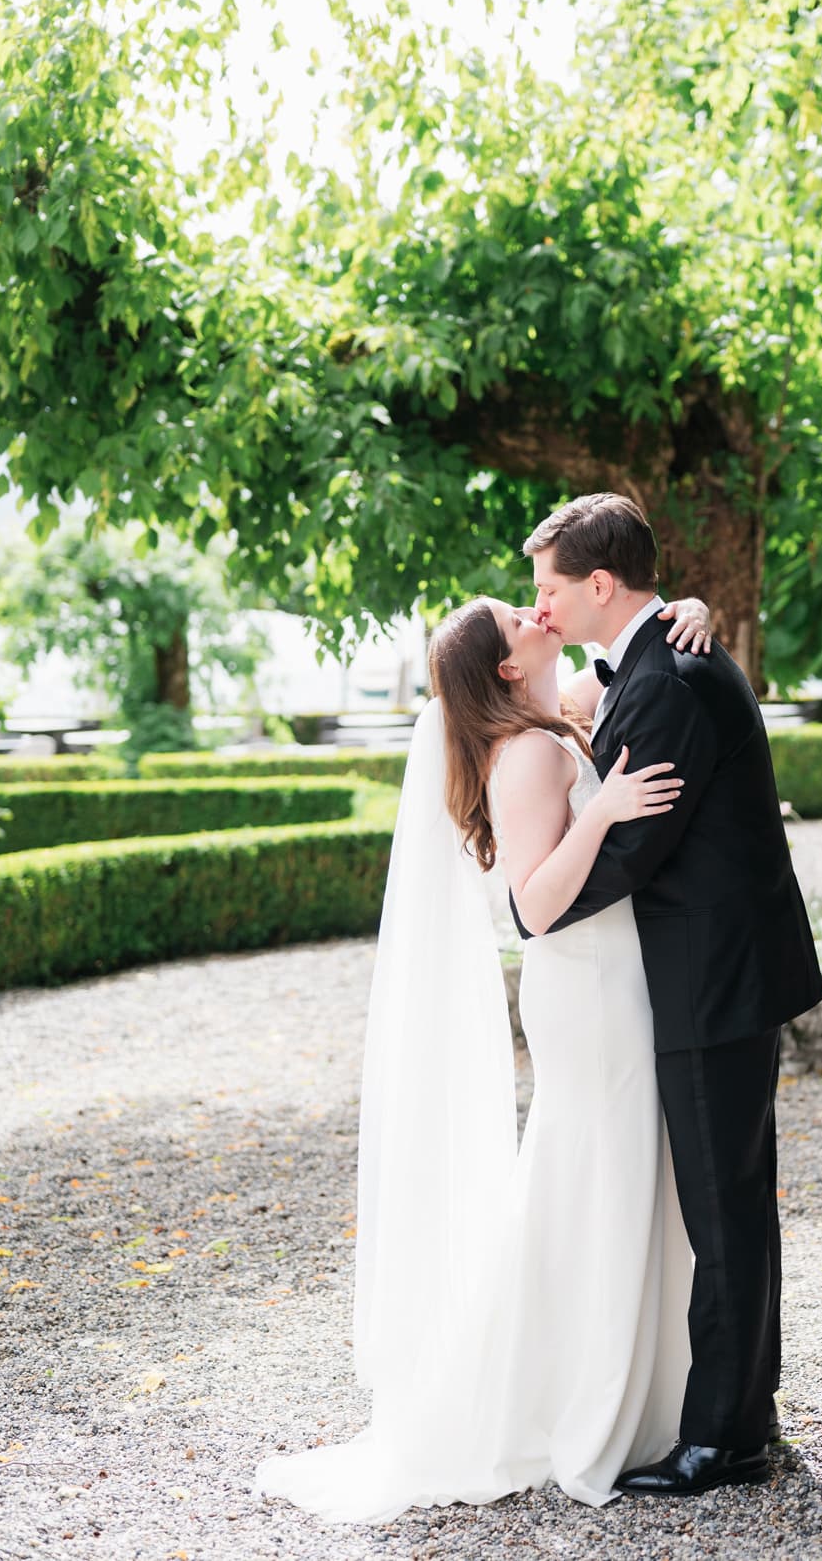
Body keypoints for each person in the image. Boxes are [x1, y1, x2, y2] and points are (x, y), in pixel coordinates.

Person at [253, 593, 713, 1525]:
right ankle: (582, 1402)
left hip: (609, 980)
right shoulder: (529, 752)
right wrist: (607, 810)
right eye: (516, 616)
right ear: (507, 665)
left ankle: (630, 1391)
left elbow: (623, 660)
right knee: (599, 1175)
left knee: (608, 1176)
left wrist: (686, 608)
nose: (535, 607)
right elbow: (533, 907)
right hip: (587, 990)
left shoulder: (552, 716)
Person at [520, 493, 822, 1498]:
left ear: (602, 584)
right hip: (717, 971)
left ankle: (725, 1440)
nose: (543, 606)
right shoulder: (658, 660)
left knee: (723, 1213)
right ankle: (748, 1412)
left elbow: (631, 848)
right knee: (733, 1203)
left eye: (550, 587)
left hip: (710, 980)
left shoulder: (672, 680)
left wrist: (541, 900)